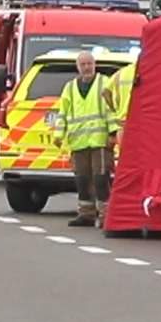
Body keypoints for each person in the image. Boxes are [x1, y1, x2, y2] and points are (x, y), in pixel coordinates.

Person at [55, 52, 114, 228]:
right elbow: (63, 113)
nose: (87, 67)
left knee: (100, 178)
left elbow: (111, 110)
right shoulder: (70, 88)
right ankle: (86, 214)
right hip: (78, 142)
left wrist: (113, 133)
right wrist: (59, 135)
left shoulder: (104, 83)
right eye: (83, 64)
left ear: (95, 65)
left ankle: (106, 214)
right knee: (82, 179)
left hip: (99, 141)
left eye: (89, 64)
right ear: (78, 67)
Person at [105, 61, 137, 167]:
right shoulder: (145, 72)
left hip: (122, 124)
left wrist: (116, 110)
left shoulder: (121, 73)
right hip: (138, 125)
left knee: (124, 161)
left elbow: (105, 92)